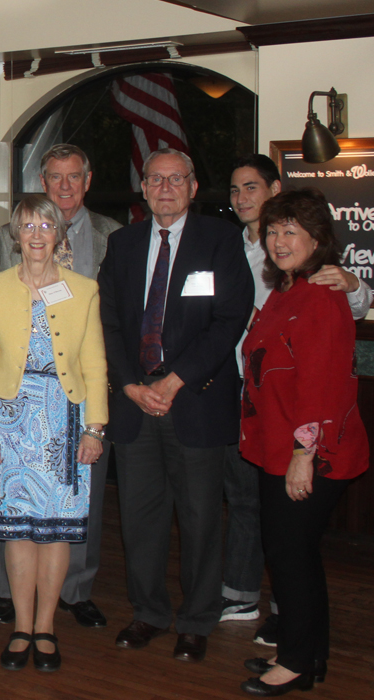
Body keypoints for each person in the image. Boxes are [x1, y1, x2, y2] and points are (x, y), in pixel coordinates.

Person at [99, 148, 253, 663]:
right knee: (140, 518)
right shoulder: (121, 244)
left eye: (176, 179)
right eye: (156, 179)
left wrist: (177, 380)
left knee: (201, 517)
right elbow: (110, 323)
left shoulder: (220, 240)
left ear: (192, 187)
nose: (165, 187)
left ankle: (197, 618)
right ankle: (148, 612)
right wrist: (129, 385)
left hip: (196, 400)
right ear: (143, 188)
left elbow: (230, 319)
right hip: (135, 405)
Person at [221, 155, 372, 645]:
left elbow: (322, 386)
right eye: (274, 234)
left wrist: (304, 456)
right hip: (268, 434)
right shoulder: (283, 289)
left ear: (314, 240)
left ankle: (297, 654)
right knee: (286, 549)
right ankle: (303, 653)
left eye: (289, 232)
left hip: (305, 448)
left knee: (292, 553)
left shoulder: (320, 290)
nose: (279, 242)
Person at [0, 194, 107, 672]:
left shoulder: (84, 290)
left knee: (56, 535)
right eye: (26, 227)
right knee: (17, 533)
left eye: (45, 227)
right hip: (9, 423)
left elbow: (94, 363)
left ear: (59, 235)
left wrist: (95, 429)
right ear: (15, 235)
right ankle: (21, 627)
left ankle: (46, 627)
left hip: (65, 423)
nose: (35, 236)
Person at [0, 144, 120, 629]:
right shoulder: (10, 234)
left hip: (77, 387)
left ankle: (75, 589)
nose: (64, 186)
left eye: (73, 177)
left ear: (87, 181)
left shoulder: (112, 234)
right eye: (55, 177)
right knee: (14, 497)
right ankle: (9, 591)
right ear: (43, 182)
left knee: (77, 500)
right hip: (19, 394)